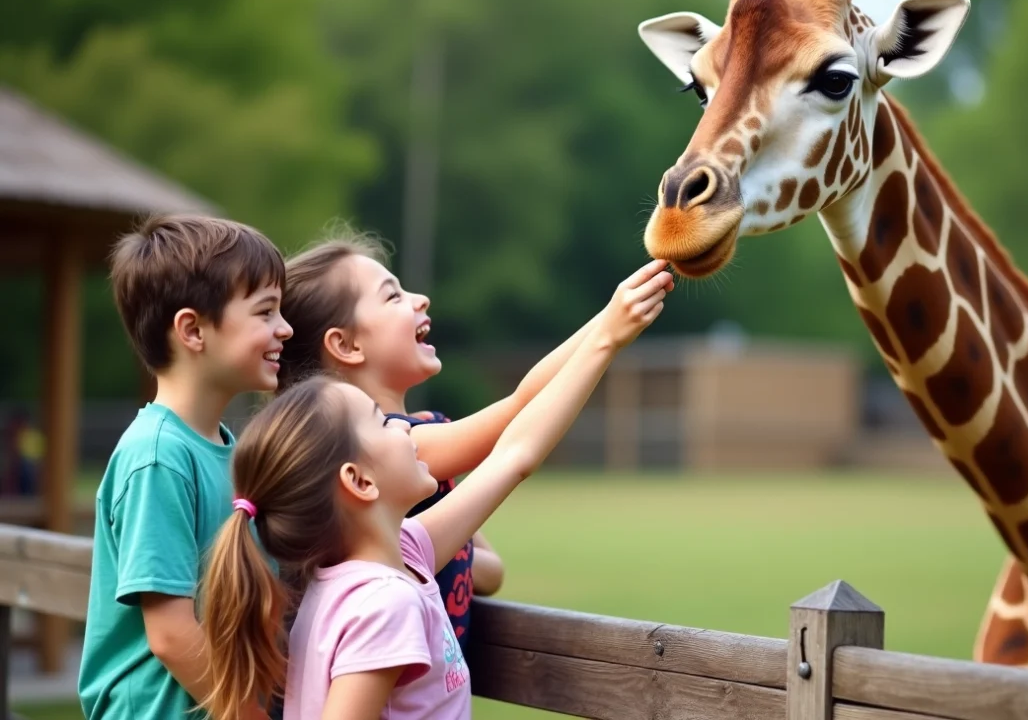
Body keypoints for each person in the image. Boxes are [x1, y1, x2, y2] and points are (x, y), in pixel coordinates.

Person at [199, 259, 673, 720]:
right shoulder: (383, 605)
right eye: (382, 424)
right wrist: (605, 332)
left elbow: (515, 455)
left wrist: (606, 340)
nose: (408, 431)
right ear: (359, 481)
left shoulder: (407, 554)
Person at [277, 228, 670, 646]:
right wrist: (607, 327)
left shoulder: (427, 437)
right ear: (346, 345)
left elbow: (491, 571)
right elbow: (521, 412)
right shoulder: (394, 449)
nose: (419, 299)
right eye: (392, 296)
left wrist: (429, 558)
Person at [78, 215, 292, 720]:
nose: (284, 328)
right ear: (192, 330)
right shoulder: (157, 458)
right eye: (265, 312)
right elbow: (172, 633)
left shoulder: (226, 448)